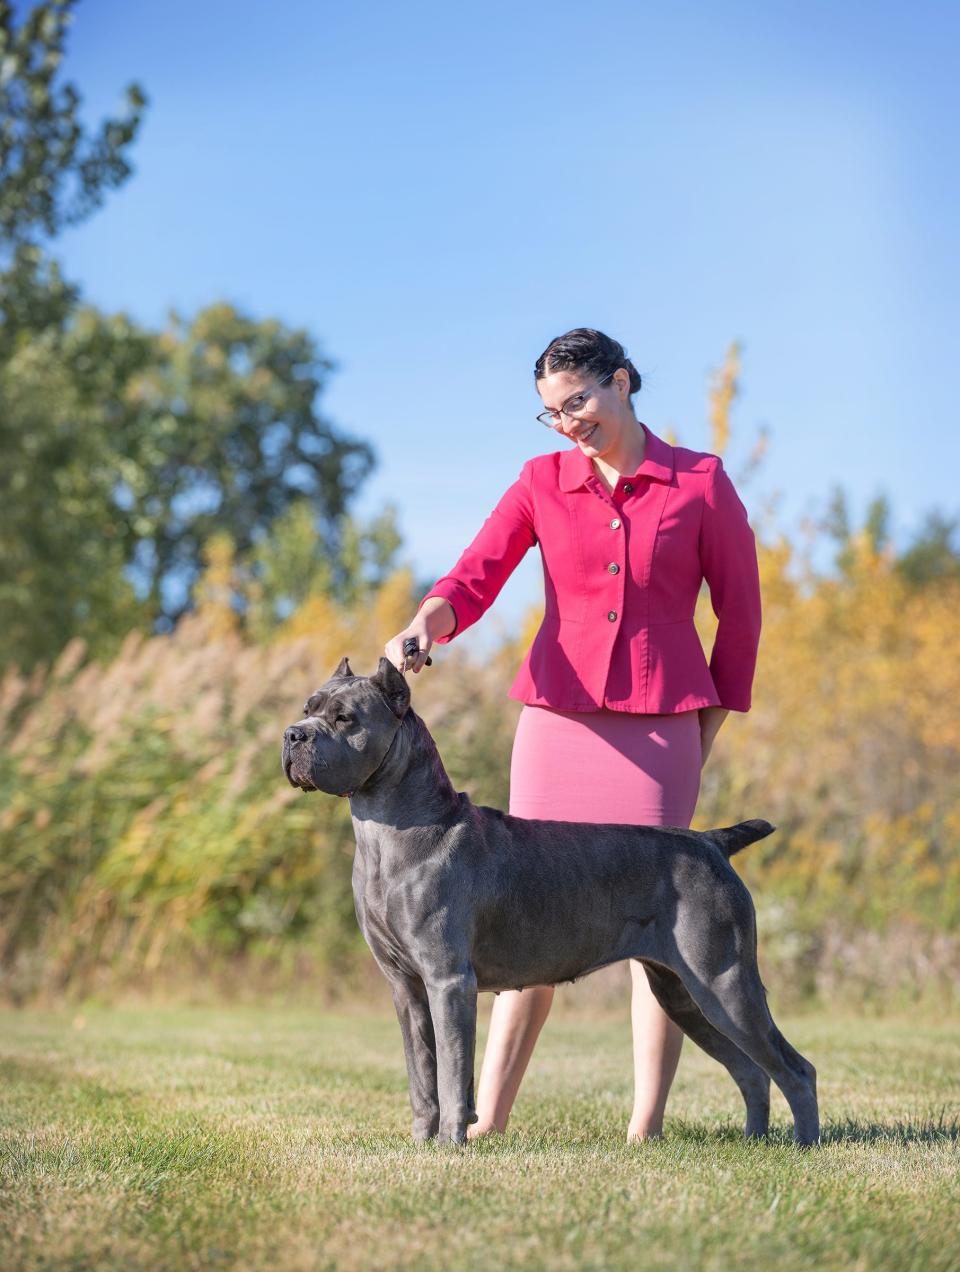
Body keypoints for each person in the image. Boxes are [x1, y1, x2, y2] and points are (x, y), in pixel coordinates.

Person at [384, 327, 762, 1142]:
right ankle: (483, 1122)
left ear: (622, 383)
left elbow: (740, 612)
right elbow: (474, 575)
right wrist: (426, 624)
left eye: (579, 401)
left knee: (662, 932)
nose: (568, 424)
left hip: (665, 729)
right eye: (552, 413)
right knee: (524, 920)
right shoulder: (541, 480)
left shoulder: (700, 481)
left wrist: (711, 721)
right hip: (555, 724)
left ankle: (646, 1125)